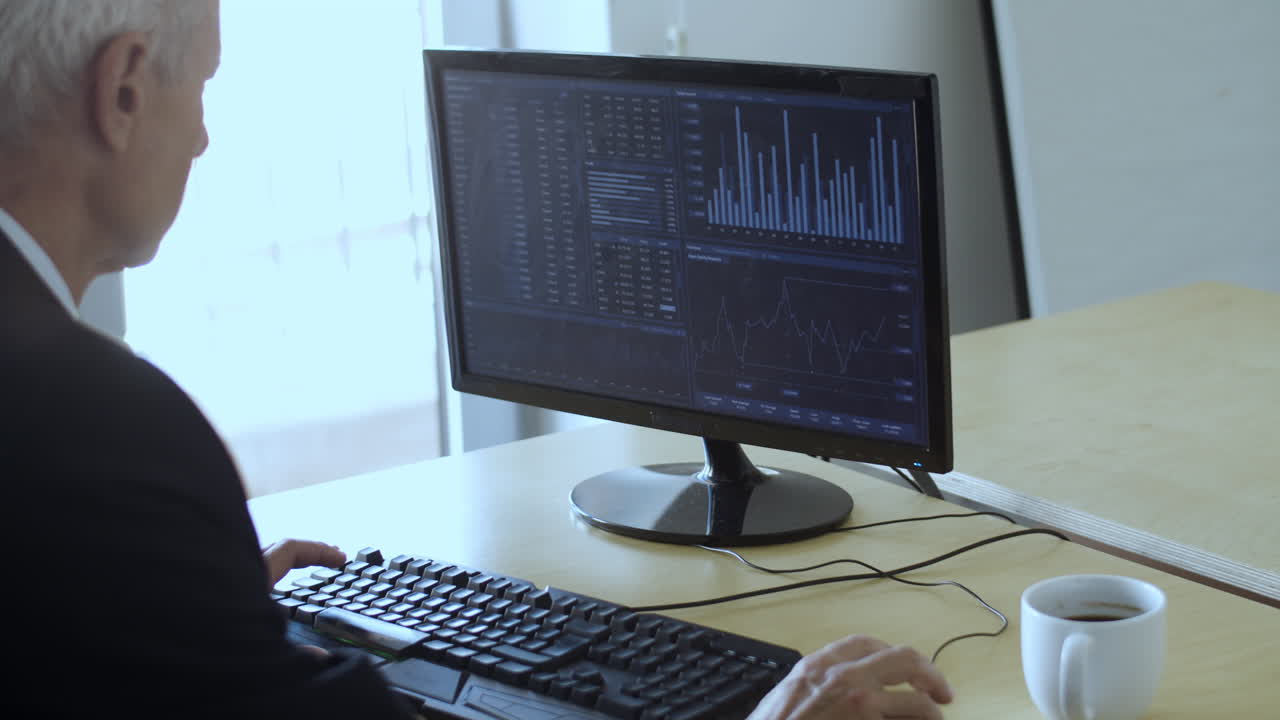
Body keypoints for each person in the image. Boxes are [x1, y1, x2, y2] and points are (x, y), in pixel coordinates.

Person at [0, 1, 953, 718]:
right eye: (200, 87)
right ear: (123, 88)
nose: (204, 137)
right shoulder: (105, 434)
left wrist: (194, 608)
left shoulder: (81, 457)